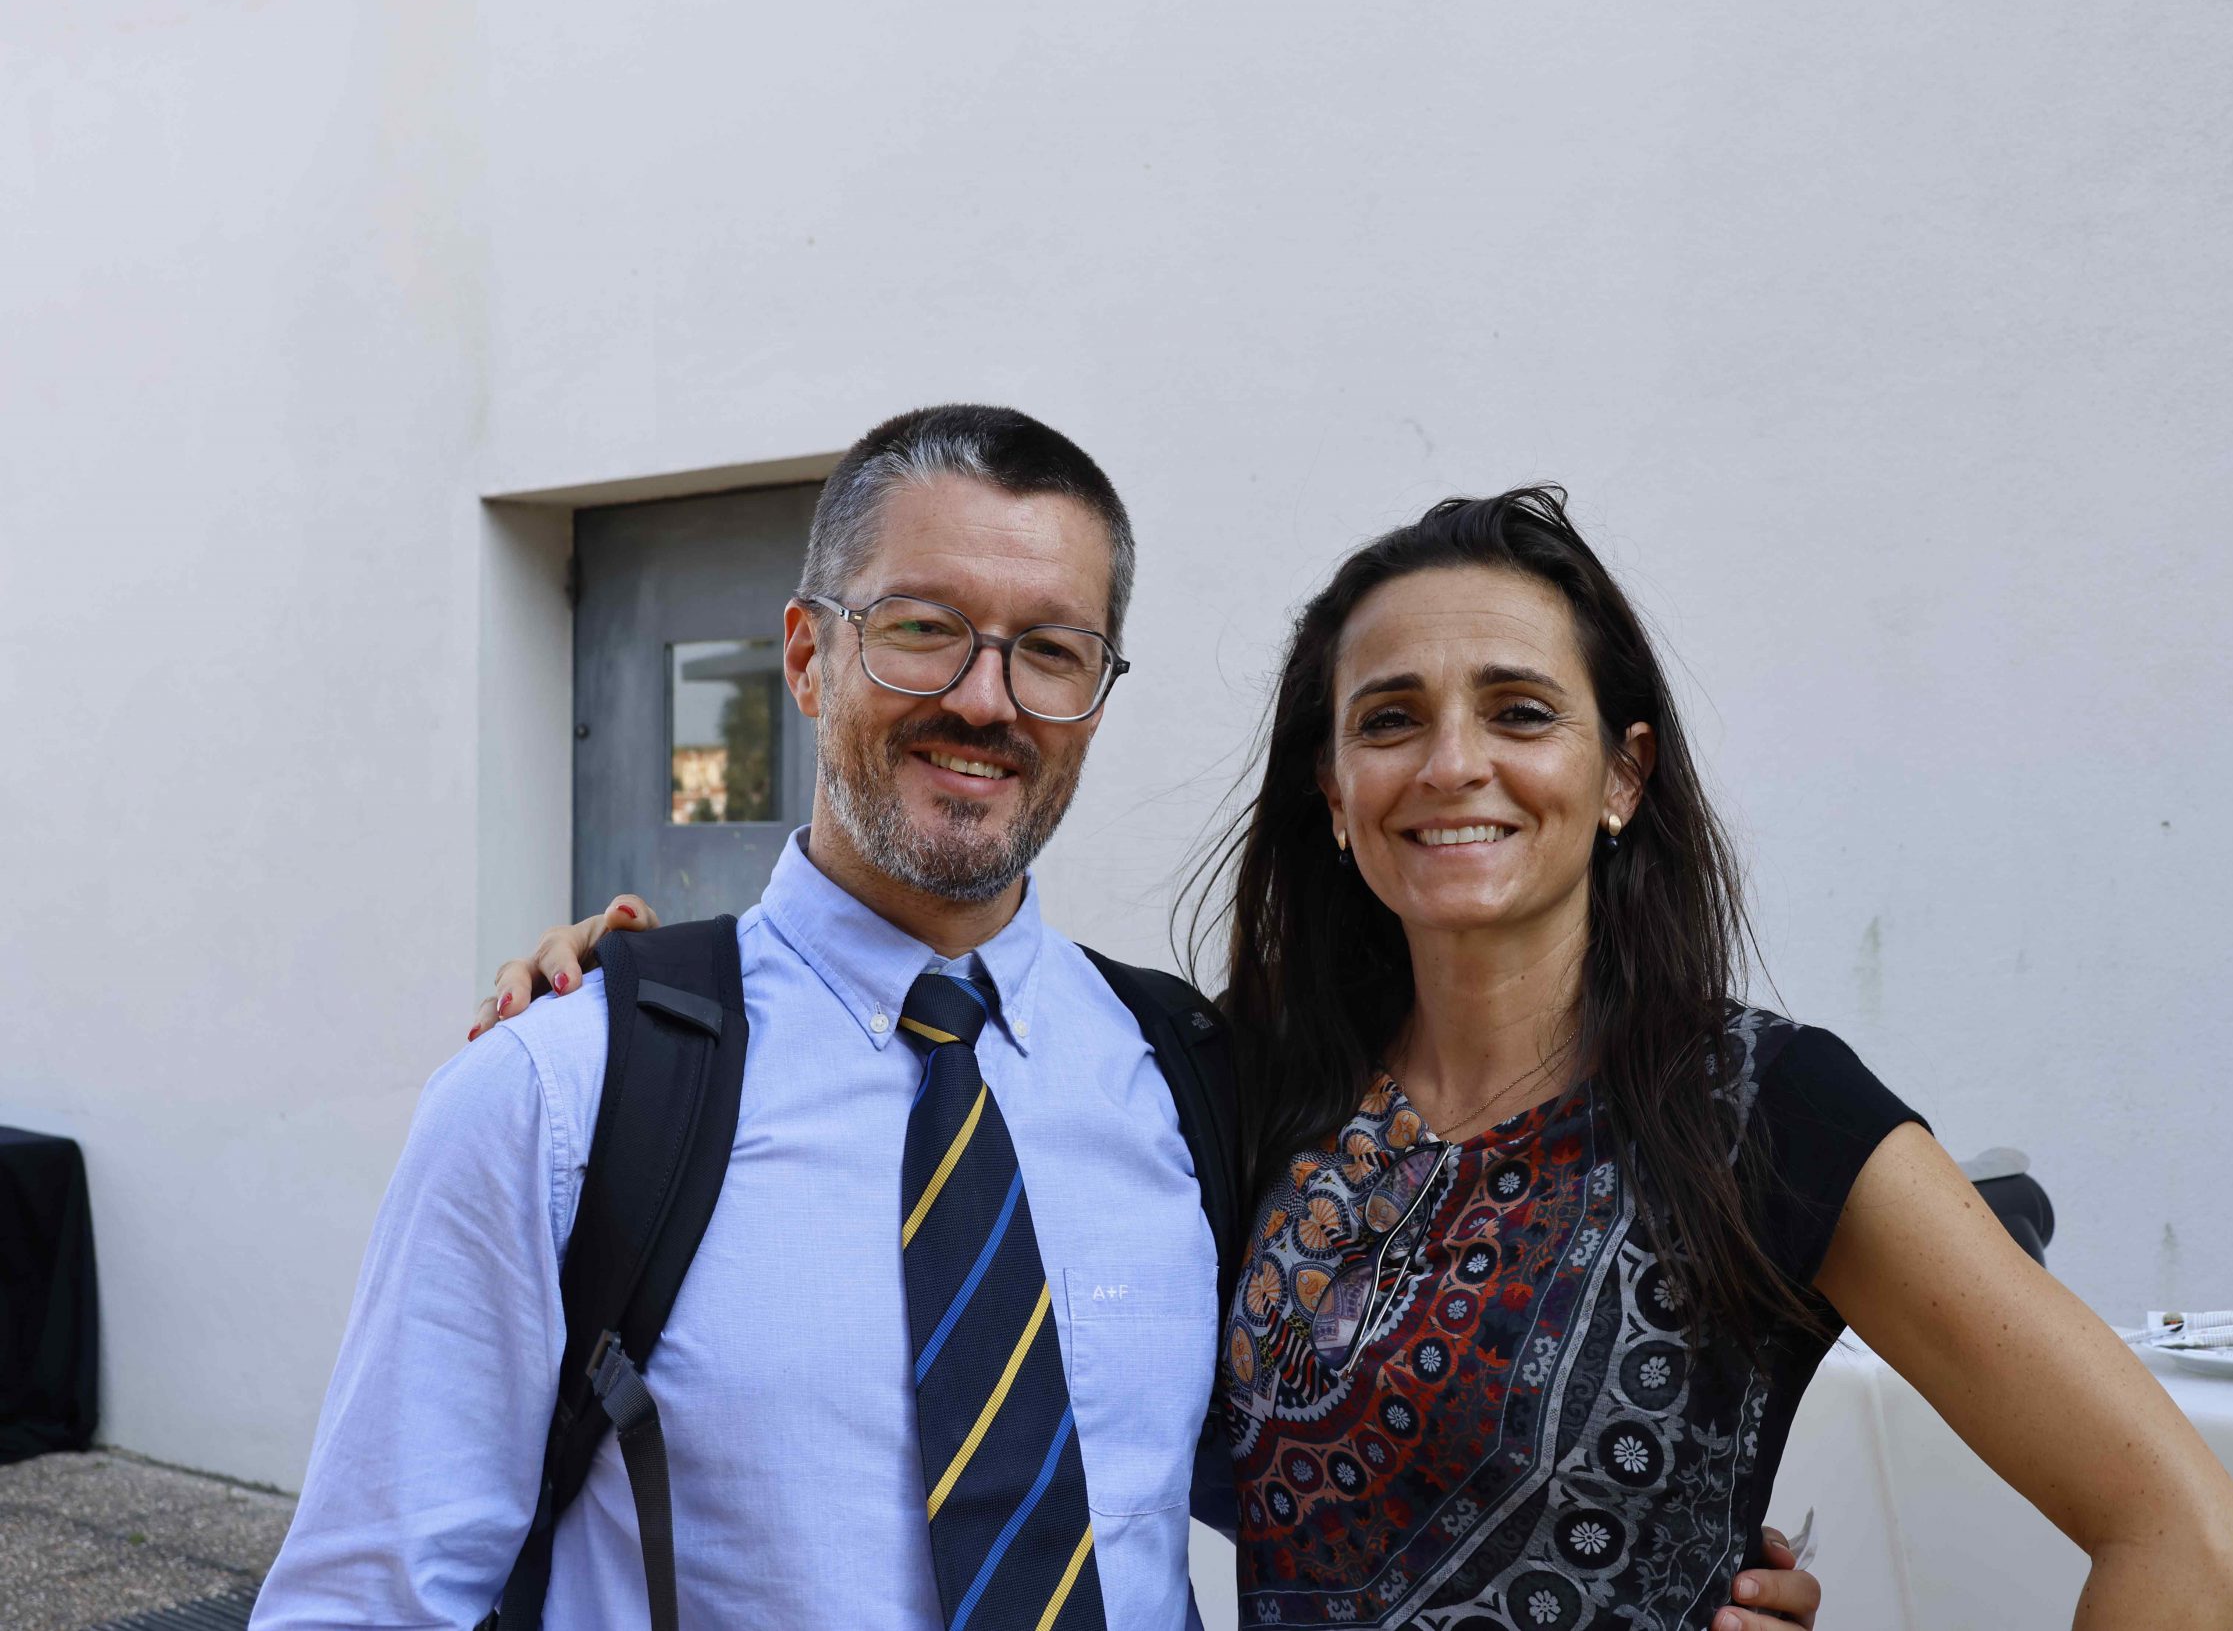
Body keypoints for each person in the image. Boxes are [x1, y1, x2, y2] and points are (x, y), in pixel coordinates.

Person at [489, 479, 2233, 1626]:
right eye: (1391, 719)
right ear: (1335, 793)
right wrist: (634, 981)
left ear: (1622, 775)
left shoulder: (1769, 1112)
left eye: (1522, 711)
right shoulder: (1226, 1088)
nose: (1455, 766)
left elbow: (2194, 1541)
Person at [257, 406, 1823, 1631]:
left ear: (1096, 693)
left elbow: (1336, 1473)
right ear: (807, 655)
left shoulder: (1197, 1079)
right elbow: (361, 1604)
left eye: (1051, 651)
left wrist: (1657, 1571)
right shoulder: (566, 1091)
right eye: (922, 626)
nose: (987, 698)